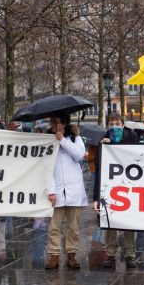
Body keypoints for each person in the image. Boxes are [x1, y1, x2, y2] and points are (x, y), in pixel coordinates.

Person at [43, 112, 89, 271]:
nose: (54, 125)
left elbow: (79, 156)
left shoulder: (75, 138)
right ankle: (54, 255)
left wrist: (62, 140)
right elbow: (46, 168)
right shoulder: (48, 141)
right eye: (52, 122)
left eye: (57, 122)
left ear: (64, 123)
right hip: (56, 190)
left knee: (73, 227)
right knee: (54, 227)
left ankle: (72, 254)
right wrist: (51, 190)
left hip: (74, 190)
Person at [97, 113, 137, 270]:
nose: (115, 125)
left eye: (117, 123)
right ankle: (111, 254)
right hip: (110, 186)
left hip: (129, 185)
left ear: (123, 124)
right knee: (110, 222)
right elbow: (99, 165)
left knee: (128, 222)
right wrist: (103, 146)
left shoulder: (131, 135)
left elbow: (134, 156)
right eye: (112, 123)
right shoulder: (103, 138)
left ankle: (130, 254)